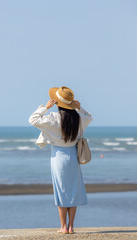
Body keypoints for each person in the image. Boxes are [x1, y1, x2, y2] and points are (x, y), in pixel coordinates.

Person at [28, 86, 92, 234]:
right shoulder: (78, 118)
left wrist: (45, 107)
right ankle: (71, 227)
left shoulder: (53, 118)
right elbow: (89, 117)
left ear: (57, 103)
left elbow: (33, 120)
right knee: (73, 190)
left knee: (61, 191)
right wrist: (80, 107)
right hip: (73, 155)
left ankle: (63, 227)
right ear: (70, 103)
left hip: (58, 157)